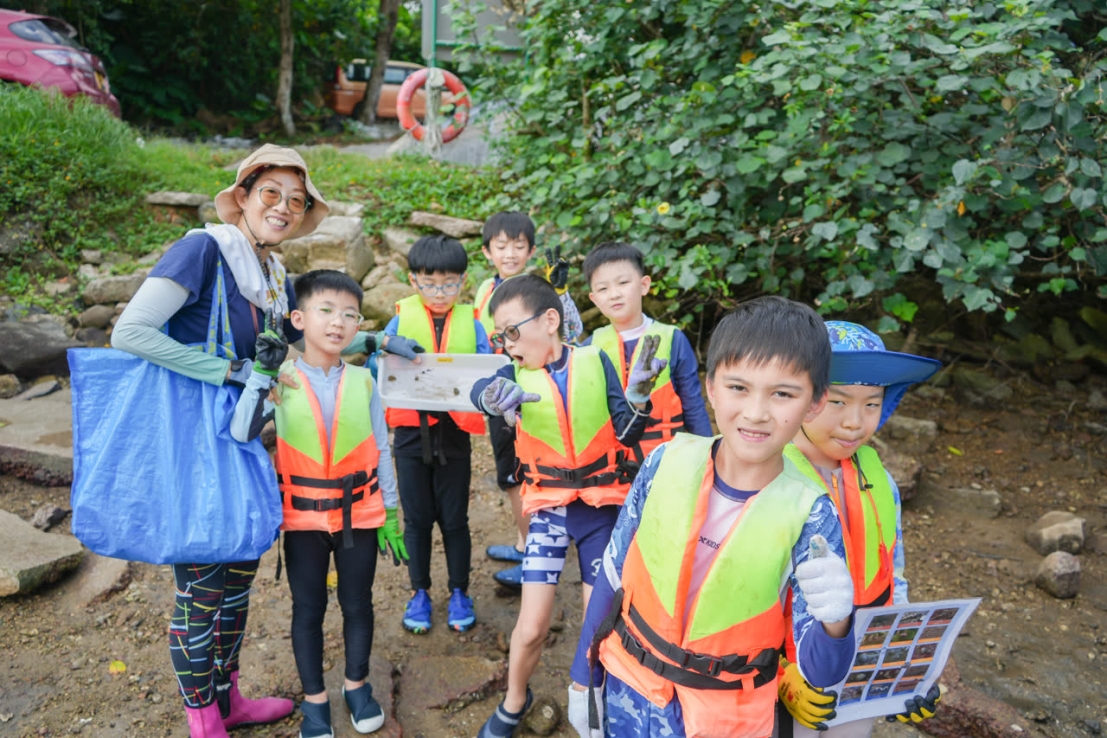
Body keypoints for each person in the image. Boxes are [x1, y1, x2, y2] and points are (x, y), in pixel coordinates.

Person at [567, 296, 858, 738]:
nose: (756, 413)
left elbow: (821, 673)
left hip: (725, 718)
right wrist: (583, 677)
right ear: (711, 387)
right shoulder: (664, 461)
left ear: (814, 403)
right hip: (629, 687)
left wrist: (838, 621)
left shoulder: (812, 514)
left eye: (782, 394)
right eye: (738, 387)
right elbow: (612, 573)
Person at [110, 145, 322, 738]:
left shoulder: (271, 275)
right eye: (271, 193)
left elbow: (290, 346)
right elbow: (130, 331)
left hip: (243, 438)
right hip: (192, 442)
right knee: (202, 586)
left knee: (238, 575)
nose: (283, 207)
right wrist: (226, 370)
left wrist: (371, 343)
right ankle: (203, 720)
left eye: (296, 201)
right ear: (244, 197)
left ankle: (229, 700)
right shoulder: (204, 250)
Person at [468, 274, 663, 738]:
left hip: (601, 512)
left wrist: (639, 400)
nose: (507, 344)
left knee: (599, 625)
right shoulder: (511, 375)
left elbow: (626, 431)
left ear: (550, 320)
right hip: (550, 513)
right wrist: (490, 399)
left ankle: (592, 697)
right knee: (532, 626)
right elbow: (483, 391)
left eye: (512, 331)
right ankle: (515, 700)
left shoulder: (595, 361)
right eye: (500, 336)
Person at [228, 270, 405, 738]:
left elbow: (381, 447)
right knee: (307, 609)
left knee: (357, 604)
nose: (338, 323)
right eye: (325, 311)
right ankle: (315, 701)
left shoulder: (364, 381)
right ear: (299, 319)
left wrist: (390, 511)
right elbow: (242, 431)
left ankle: (356, 686)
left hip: (359, 513)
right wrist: (261, 375)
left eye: (350, 315)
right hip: (302, 519)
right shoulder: (281, 378)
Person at [778, 321, 942, 738]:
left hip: (857, 676)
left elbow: (893, 576)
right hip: (785, 672)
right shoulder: (765, 476)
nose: (855, 422)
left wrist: (904, 668)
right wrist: (778, 673)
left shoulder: (879, 480)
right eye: (837, 401)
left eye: (872, 404)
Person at [383, 234, 493, 634]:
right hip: (410, 437)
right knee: (416, 520)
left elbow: (487, 366)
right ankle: (420, 592)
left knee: (454, 519)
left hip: (453, 434)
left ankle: (460, 591)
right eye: (430, 285)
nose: (440, 293)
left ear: (463, 281)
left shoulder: (472, 323)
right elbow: (380, 360)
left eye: (449, 284)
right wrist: (387, 349)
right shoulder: (399, 321)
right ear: (413, 281)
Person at [474, 211, 585, 589]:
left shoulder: (540, 291)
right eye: (501, 246)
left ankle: (536, 556)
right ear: (487, 251)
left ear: (531, 251)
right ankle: (525, 544)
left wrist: (562, 292)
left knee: (532, 470)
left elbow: (572, 333)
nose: (510, 254)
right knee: (509, 475)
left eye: (518, 246)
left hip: (538, 391)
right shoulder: (485, 291)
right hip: (500, 391)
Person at [582, 241, 713, 460]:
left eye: (623, 282)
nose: (614, 294)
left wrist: (706, 455)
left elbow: (693, 405)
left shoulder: (673, 339)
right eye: (603, 288)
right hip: (614, 466)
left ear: (644, 285)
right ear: (594, 299)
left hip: (666, 459)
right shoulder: (590, 347)